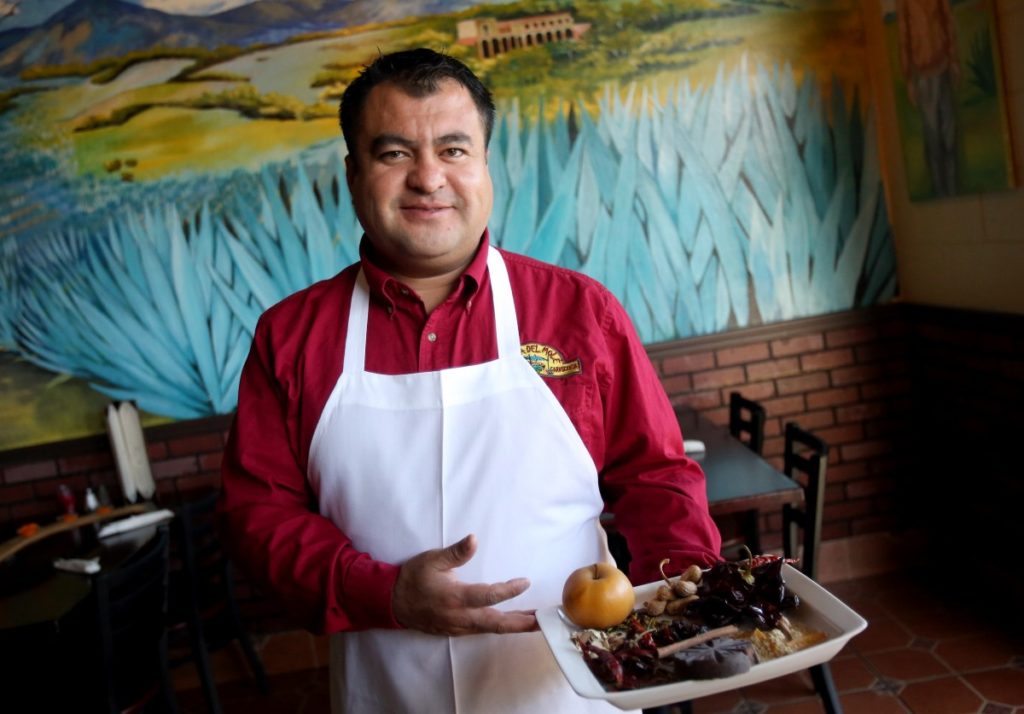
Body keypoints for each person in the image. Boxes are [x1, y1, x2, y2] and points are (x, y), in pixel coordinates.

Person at [219, 47, 721, 713]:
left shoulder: (579, 312)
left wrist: (688, 596)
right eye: (394, 153)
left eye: (454, 149)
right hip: (388, 688)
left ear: (486, 164)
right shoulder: (290, 337)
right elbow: (259, 516)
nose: (428, 178)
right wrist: (384, 592)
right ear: (352, 173)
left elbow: (657, 477)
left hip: (569, 693)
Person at [897, 0, 960, 197]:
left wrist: (953, 59)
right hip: (923, 75)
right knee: (933, 139)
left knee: (949, 136)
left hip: (942, 67)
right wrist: (909, 78)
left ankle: (953, 190)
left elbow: (947, 20)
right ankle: (941, 193)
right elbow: (903, 36)